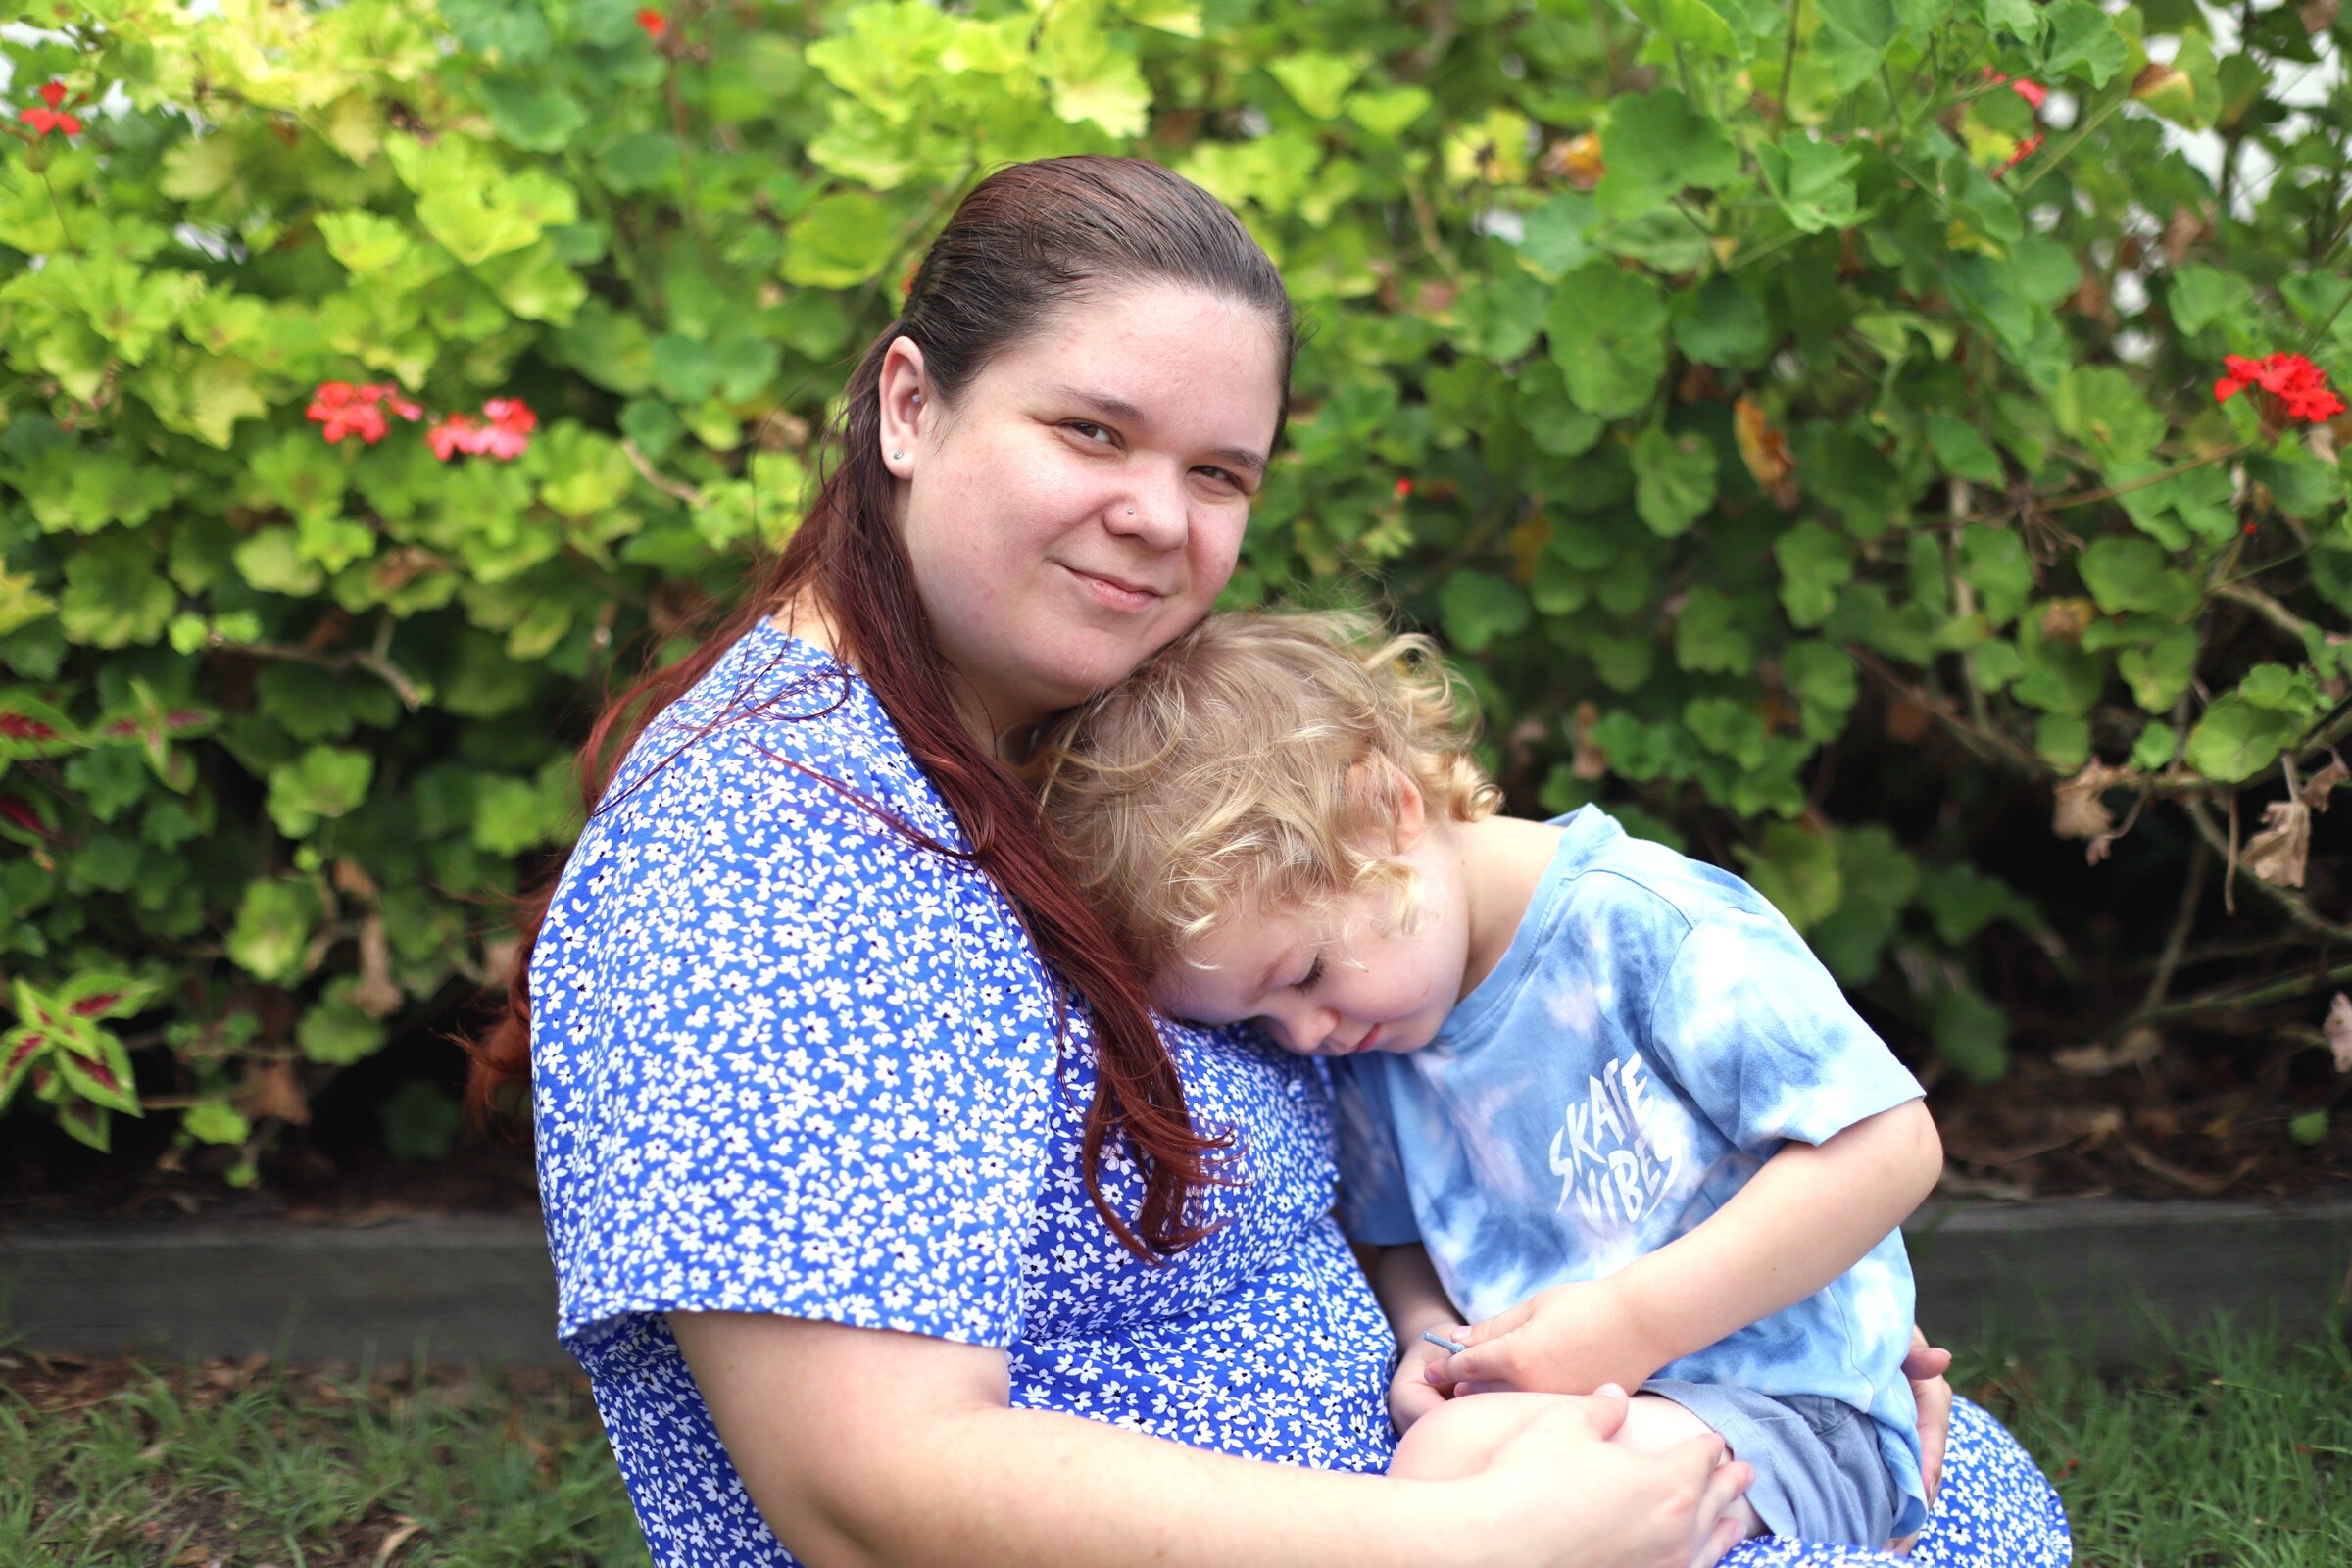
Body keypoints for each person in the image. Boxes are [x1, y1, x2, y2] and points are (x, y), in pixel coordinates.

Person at [467, 155, 2069, 1568]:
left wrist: (1765, 1342)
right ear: (909, 405)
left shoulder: (1062, 736)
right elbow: (869, 1487)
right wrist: (1461, 1542)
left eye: (1218, 473)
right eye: (1090, 430)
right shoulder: (769, 856)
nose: (1158, 517)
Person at [1034, 609, 1952, 1548]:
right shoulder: (1377, 1035)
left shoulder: (1649, 928)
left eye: (1303, 975)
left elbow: (1890, 1144)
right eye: (1261, 1023)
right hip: (1585, 1398)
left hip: (1794, 1404)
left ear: (1383, 810)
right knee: (1451, 1464)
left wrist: (1631, 1324)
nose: (1305, 1034)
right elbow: (1400, 1241)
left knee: (1489, 1486)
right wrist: (1429, 1338)